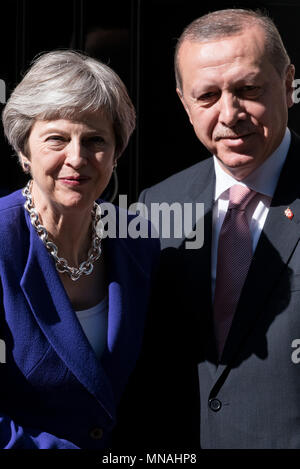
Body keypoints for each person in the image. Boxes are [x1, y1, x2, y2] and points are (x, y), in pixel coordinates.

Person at [130, 8, 300, 449]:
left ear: (287, 85)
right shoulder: (155, 206)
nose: (229, 114)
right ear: (184, 104)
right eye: (206, 97)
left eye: (248, 89)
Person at [0, 50, 159, 449]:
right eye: (56, 138)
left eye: (95, 140)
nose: (77, 158)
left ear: (117, 153)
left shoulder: (136, 238)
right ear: (24, 150)